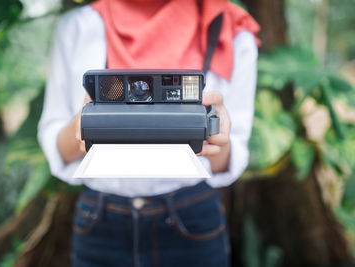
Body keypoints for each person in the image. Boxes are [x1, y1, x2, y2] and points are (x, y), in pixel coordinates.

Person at [38, 0, 260, 266]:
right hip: (100, 220)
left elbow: (229, 159)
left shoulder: (230, 31)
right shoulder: (78, 26)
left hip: (191, 217)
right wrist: (85, 125)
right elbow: (56, 144)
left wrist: (214, 135)